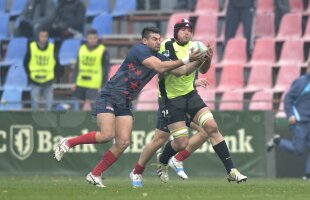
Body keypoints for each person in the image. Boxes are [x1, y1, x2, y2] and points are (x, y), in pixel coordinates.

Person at [54, 27, 205, 187]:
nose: (158, 42)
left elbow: (182, 71)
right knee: (106, 135)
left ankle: (95, 174)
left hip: (125, 102)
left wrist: (200, 59)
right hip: (110, 95)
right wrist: (186, 58)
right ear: (145, 40)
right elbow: (161, 67)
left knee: (123, 142)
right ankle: (69, 142)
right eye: (154, 39)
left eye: (159, 39)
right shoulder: (139, 50)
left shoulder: (159, 57)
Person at [130, 19, 247, 188]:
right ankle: (161, 161)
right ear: (176, 31)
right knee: (179, 142)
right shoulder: (166, 47)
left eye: (189, 30)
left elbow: (204, 70)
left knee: (211, 128)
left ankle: (231, 170)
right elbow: (179, 72)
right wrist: (194, 60)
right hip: (170, 100)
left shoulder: (195, 46)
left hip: (190, 95)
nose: (187, 32)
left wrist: (207, 59)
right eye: (183, 29)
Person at [267, 62, 310, 180]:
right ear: (308, 68)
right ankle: (277, 141)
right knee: (298, 150)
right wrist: (290, 114)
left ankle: (307, 175)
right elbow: (287, 99)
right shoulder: (300, 82)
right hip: (300, 121)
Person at [71, 29, 110, 111]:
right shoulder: (81, 49)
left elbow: (106, 69)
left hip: (94, 85)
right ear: (86, 39)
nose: (92, 40)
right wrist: (73, 82)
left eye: (94, 38)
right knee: (77, 111)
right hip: (80, 83)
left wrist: (103, 85)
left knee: (95, 111)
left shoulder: (103, 50)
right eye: (90, 38)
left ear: (97, 39)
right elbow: (77, 67)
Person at [24, 27, 60, 110]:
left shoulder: (52, 47)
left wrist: (54, 76)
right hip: (35, 80)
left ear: (47, 37)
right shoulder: (32, 47)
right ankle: (35, 122)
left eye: (45, 36)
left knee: (49, 105)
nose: (43, 38)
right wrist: (29, 75)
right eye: (42, 36)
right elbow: (25, 63)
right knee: (35, 105)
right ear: (38, 37)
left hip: (48, 81)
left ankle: (48, 123)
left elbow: (57, 63)